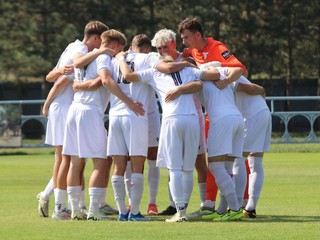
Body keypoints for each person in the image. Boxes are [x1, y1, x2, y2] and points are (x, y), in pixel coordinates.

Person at [63, 29, 144, 221]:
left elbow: (77, 68)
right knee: (101, 162)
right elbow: (105, 80)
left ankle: (75, 210)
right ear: (114, 45)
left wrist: (80, 85)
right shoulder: (104, 58)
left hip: (74, 109)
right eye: (119, 49)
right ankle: (94, 210)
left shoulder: (86, 55)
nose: (119, 53)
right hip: (90, 111)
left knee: (76, 161)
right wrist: (129, 102)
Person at [37, 20, 110, 220]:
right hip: (65, 107)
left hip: (67, 107)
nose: (102, 46)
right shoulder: (80, 49)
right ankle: (60, 207)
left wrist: (48, 103)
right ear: (95, 38)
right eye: (101, 42)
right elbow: (58, 79)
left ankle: (74, 205)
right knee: (66, 159)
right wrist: (48, 104)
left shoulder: (73, 45)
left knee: (76, 159)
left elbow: (52, 75)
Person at [178, 17, 247, 216]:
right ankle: (224, 210)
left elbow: (240, 68)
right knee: (229, 165)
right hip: (235, 117)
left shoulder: (197, 70)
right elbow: (232, 70)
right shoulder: (218, 67)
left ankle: (234, 209)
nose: (185, 42)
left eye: (187, 37)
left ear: (198, 35)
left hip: (221, 119)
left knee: (216, 167)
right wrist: (223, 79)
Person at [148, 29, 209, 217]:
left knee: (198, 161)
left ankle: (205, 203)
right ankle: (176, 205)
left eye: (165, 47)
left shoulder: (189, 56)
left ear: (174, 44)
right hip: (174, 115)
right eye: (158, 48)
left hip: (195, 114)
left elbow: (201, 78)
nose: (161, 51)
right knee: (173, 162)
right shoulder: (159, 60)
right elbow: (166, 68)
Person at [232, 76, 271, 218]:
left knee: (238, 158)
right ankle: (250, 208)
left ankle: (235, 207)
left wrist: (262, 89)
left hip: (253, 115)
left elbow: (250, 88)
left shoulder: (223, 73)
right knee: (255, 162)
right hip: (261, 112)